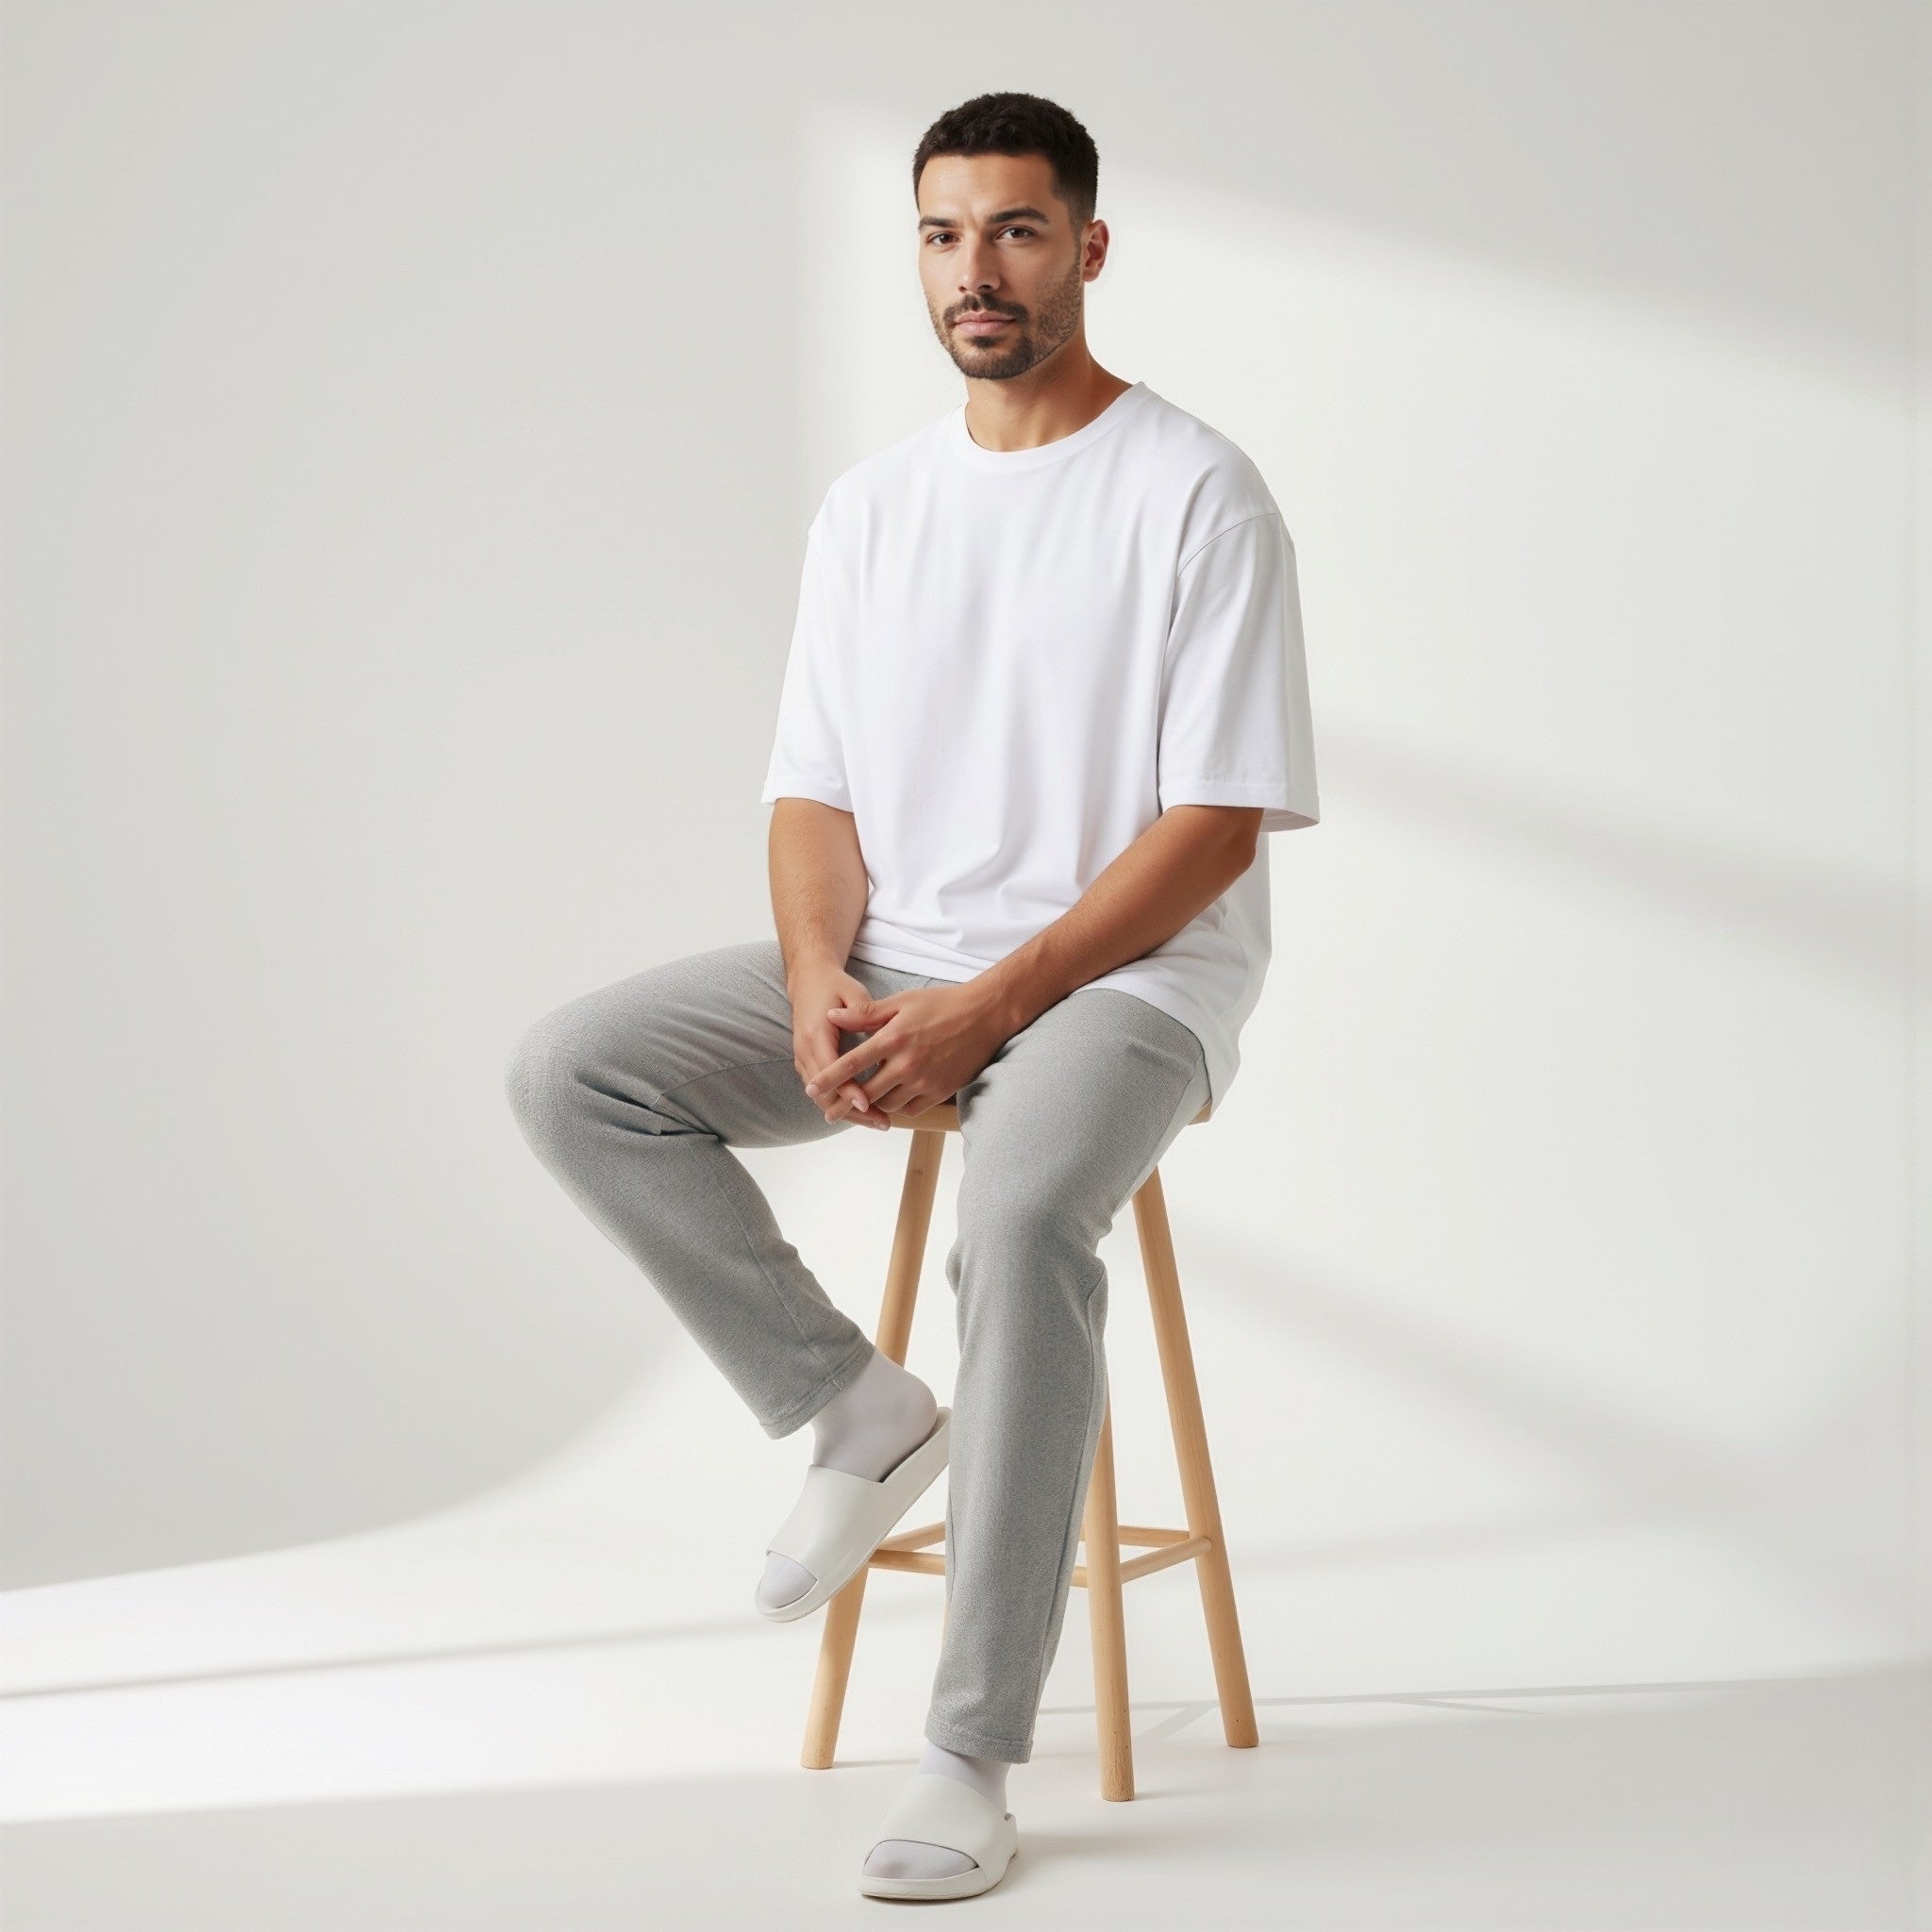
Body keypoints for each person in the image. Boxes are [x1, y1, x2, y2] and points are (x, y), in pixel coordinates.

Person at [504, 89, 1319, 1903]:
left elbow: (1213, 830)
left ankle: (966, 1753)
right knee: (576, 1072)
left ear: (1090, 249)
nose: (980, 271)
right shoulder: (876, 507)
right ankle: (855, 1412)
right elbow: (814, 796)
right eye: (946, 235)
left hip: (1131, 982)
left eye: (1019, 231)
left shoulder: (1198, 491)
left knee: (1021, 1211)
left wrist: (991, 1005)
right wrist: (818, 985)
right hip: (894, 964)